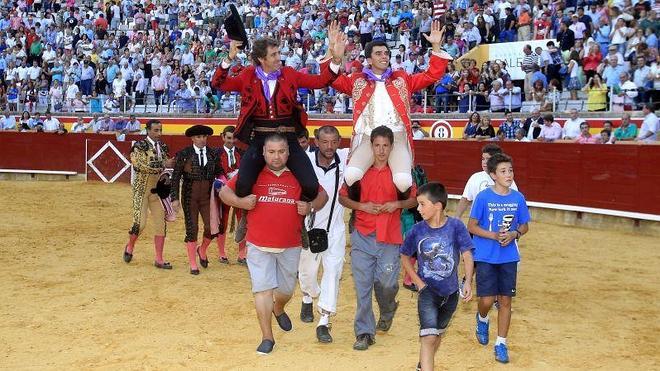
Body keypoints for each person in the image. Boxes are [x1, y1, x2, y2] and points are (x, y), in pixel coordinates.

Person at [211, 22, 345, 242]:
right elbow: (218, 83)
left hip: (288, 137)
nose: (278, 58)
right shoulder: (247, 75)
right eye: (274, 55)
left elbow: (320, 81)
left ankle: (299, 222)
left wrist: (336, 59)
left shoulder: (290, 74)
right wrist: (229, 57)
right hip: (260, 138)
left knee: (310, 185)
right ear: (262, 59)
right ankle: (246, 216)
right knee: (243, 183)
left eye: (278, 53)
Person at [219, 133, 328, 355]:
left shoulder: (299, 175)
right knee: (262, 290)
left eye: (281, 151)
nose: (276, 157)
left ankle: (279, 307)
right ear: (263, 152)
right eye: (271, 152)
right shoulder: (251, 174)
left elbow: (322, 196)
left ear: (288, 152)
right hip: (258, 245)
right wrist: (240, 202)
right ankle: (267, 337)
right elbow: (223, 191)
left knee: (286, 290)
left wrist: (310, 208)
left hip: (290, 244)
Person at [331, 21, 452, 197]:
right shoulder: (357, 80)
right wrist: (335, 57)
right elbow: (331, 80)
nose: (384, 57)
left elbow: (431, 75)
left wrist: (435, 47)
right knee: (351, 175)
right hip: (368, 135)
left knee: (403, 182)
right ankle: (360, 205)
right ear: (369, 60)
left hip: (397, 135)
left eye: (386, 53)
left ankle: (400, 209)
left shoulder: (401, 78)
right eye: (378, 53)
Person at [338, 126, 418, 351]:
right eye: (377, 145)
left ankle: (387, 308)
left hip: (389, 237)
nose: (381, 150)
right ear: (370, 146)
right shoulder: (359, 172)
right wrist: (361, 205)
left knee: (387, 284)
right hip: (362, 235)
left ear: (392, 147)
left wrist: (397, 204)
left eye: (385, 146)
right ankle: (364, 332)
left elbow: (414, 199)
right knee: (362, 287)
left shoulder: (399, 174)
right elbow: (343, 198)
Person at [400, 182, 474, 371]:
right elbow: (405, 255)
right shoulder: (417, 230)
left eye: (422, 204)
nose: (418, 208)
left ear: (438, 206)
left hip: (451, 293)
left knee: (436, 335)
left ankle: (422, 365)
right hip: (428, 291)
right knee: (429, 337)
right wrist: (418, 282)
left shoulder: (456, 226)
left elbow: (467, 254)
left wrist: (467, 281)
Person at [468, 153, 530, 364]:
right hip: (485, 255)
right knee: (486, 300)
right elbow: (472, 226)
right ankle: (482, 318)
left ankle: (501, 343)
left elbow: (524, 225)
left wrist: (515, 234)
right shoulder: (483, 197)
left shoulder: (518, 198)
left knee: (505, 300)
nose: (509, 175)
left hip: (508, 256)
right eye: (503, 171)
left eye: (510, 170)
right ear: (493, 175)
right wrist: (493, 235)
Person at [298, 125, 349, 343]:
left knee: (333, 272)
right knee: (307, 273)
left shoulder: (346, 159)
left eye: (334, 142)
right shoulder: (304, 161)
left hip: (335, 228)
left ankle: (324, 320)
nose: (330, 147)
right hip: (309, 228)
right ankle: (308, 296)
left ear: (339, 142)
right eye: (325, 142)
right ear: (316, 141)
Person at [170, 125, 223, 275]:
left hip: (208, 197)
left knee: (212, 228)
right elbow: (175, 177)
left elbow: (219, 173)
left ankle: (202, 249)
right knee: (192, 229)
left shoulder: (213, 153)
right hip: (189, 197)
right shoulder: (184, 154)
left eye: (204, 137)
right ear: (193, 138)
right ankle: (193, 263)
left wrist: (223, 182)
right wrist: (174, 198)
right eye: (199, 137)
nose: (202, 140)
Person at [123, 120, 175, 269]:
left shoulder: (163, 147)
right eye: (156, 130)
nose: (159, 133)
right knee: (140, 224)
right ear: (148, 130)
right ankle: (130, 246)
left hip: (156, 192)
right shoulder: (139, 147)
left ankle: (159, 259)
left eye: (160, 130)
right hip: (141, 190)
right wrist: (163, 165)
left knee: (161, 224)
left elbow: (167, 164)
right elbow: (139, 165)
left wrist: (170, 166)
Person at [454, 144, 519, 219]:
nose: (484, 162)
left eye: (488, 159)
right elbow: (465, 199)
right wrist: (456, 218)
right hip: (477, 223)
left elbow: (514, 203)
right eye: (483, 159)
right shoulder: (475, 177)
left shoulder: (507, 180)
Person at [215, 126, 247, 265]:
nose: (231, 141)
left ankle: (242, 254)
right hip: (223, 192)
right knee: (223, 222)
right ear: (223, 137)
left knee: (243, 221)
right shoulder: (216, 154)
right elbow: (216, 172)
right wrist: (225, 181)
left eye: (234, 138)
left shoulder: (243, 153)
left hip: (240, 192)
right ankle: (222, 253)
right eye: (228, 138)